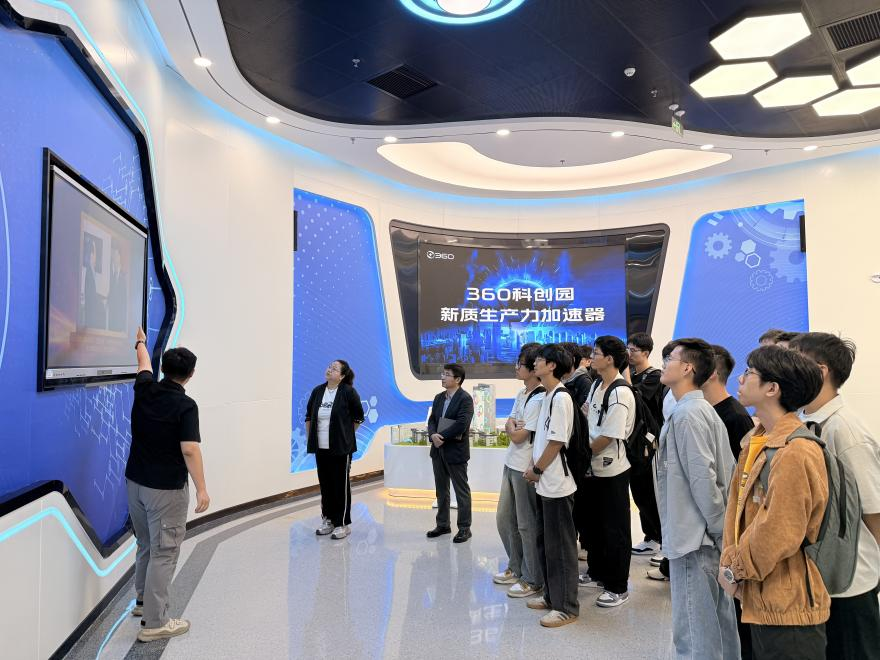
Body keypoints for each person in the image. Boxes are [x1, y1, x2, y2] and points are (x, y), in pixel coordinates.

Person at [719, 346, 828, 660]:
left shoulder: (796, 451)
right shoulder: (759, 440)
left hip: (788, 606)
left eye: (749, 373)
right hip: (760, 594)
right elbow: (739, 512)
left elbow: (779, 531)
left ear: (772, 388)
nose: (740, 379)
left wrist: (734, 570)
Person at [789, 333, 880, 659]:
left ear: (820, 370)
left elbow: (873, 510)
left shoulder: (845, 431)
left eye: (794, 360)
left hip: (851, 580)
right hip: (821, 573)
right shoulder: (805, 421)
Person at [656, 338, 739, 659]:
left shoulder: (689, 415)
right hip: (703, 537)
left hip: (695, 541)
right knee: (717, 626)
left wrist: (718, 533)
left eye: (671, 359)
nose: (665, 364)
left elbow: (704, 482)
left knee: (694, 633)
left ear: (687, 368)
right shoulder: (697, 409)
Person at [126, 327, 209, 642]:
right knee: (165, 551)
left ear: (163, 369)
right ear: (191, 375)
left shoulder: (145, 388)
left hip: (135, 483)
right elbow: (189, 449)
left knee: (146, 544)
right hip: (166, 491)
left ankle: (142, 602)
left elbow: (142, 363)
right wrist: (201, 488)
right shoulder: (186, 406)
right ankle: (155, 623)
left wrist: (141, 342)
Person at [523, 343, 579, 627]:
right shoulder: (547, 395)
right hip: (544, 481)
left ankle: (566, 606)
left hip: (557, 482)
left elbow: (557, 441)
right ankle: (550, 595)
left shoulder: (561, 398)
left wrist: (537, 469)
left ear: (552, 366)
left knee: (561, 547)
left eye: (540, 359)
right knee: (545, 543)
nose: (535, 363)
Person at [579, 336, 634, 608]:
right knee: (595, 526)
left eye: (596, 353)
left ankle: (617, 586)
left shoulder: (620, 392)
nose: (592, 357)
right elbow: (588, 417)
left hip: (612, 470)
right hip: (593, 468)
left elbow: (609, 435)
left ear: (610, 359)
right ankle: (597, 572)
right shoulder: (597, 385)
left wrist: (583, 453)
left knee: (615, 529)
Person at [494, 344, 545, 598]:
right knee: (505, 519)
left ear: (534, 368)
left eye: (520, 364)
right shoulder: (522, 393)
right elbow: (510, 424)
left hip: (525, 466)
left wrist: (514, 428)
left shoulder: (540, 398)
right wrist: (514, 426)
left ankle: (532, 577)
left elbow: (518, 436)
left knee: (526, 524)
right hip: (510, 463)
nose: (516, 368)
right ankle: (516, 566)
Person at [305, 359, 365, 540]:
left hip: (341, 448)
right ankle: (328, 520)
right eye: (329, 367)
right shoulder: (317, 391)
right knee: (326, 485)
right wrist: (310, 438)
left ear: (342, 376)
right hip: (321, 448)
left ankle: (342, 523)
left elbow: (358, 417)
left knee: (340, 485)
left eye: (334, 368)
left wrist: (346, 435)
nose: (329, 369)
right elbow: (309, 416)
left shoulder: (348, 392)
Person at [426, 363, 474, 543]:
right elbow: (432, 420)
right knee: (441, 490)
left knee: (461, 491)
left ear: (458, 379)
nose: (442, 377)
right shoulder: (439, 398)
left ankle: (464, 528)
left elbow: (462, 424)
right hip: (438, 450)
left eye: (447, 374)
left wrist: (442, 436)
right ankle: (443, 524)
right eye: (442, 374)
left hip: (455, 451)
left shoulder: (465, 399)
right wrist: (433, 435)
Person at [626, 332, 664, 557]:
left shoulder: (654, 376)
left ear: (646, 353)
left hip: (649, 444)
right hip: (634, 442)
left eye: (633, 350)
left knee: (649, 492)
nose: (629, 354)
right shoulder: (632, 375)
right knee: (639, 492)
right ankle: (650, 537)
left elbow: (635, 397)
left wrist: (625, 375)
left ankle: (661, 539)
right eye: (628, 349)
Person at [702, 345, 755, 461]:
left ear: (711, 373)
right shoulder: (702, 409)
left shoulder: (737, 418)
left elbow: (746, 464)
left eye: (695, 367)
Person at [107, 245, 127, 332]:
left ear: (119, 257)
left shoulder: (123, 276)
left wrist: (123, 322)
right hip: (111, 317)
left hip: (119, 320)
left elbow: (124, 301)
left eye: (116, 255)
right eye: (113, 256)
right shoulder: (111, 275)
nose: (114, 258)